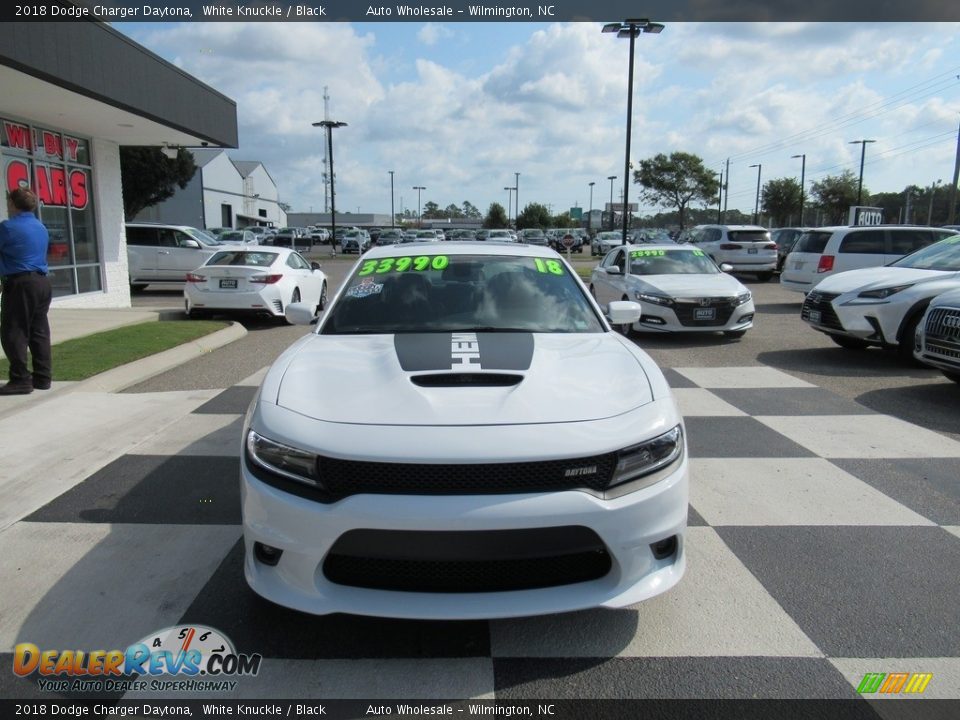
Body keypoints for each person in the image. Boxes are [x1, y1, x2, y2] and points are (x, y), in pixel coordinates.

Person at [0, 187, 52, 395]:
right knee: (38, 331)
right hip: (41, 283)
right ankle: (42, 377)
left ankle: (20, 379)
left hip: (21, 283)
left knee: (13, 331)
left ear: (12, 203)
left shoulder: (7, 228)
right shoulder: (41, 227)